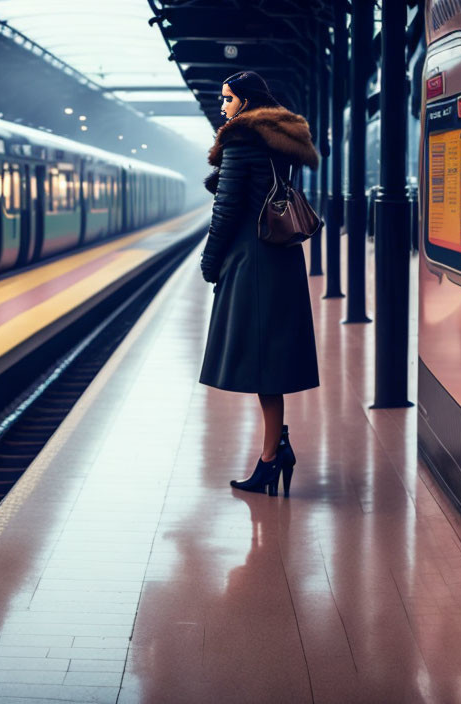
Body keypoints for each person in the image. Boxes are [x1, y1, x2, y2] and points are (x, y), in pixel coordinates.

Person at [199, 70, 321, 498]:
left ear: (246, 102)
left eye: (228, 99)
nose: (223, 106)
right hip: (281, 257)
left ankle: (271, 458)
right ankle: (276, 448)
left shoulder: (240, 140)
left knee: (262, 365)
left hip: (252, 260)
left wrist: (210, 263)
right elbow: (257, 187)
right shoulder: (278, 138)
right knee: (269, 361)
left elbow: (228, 210)